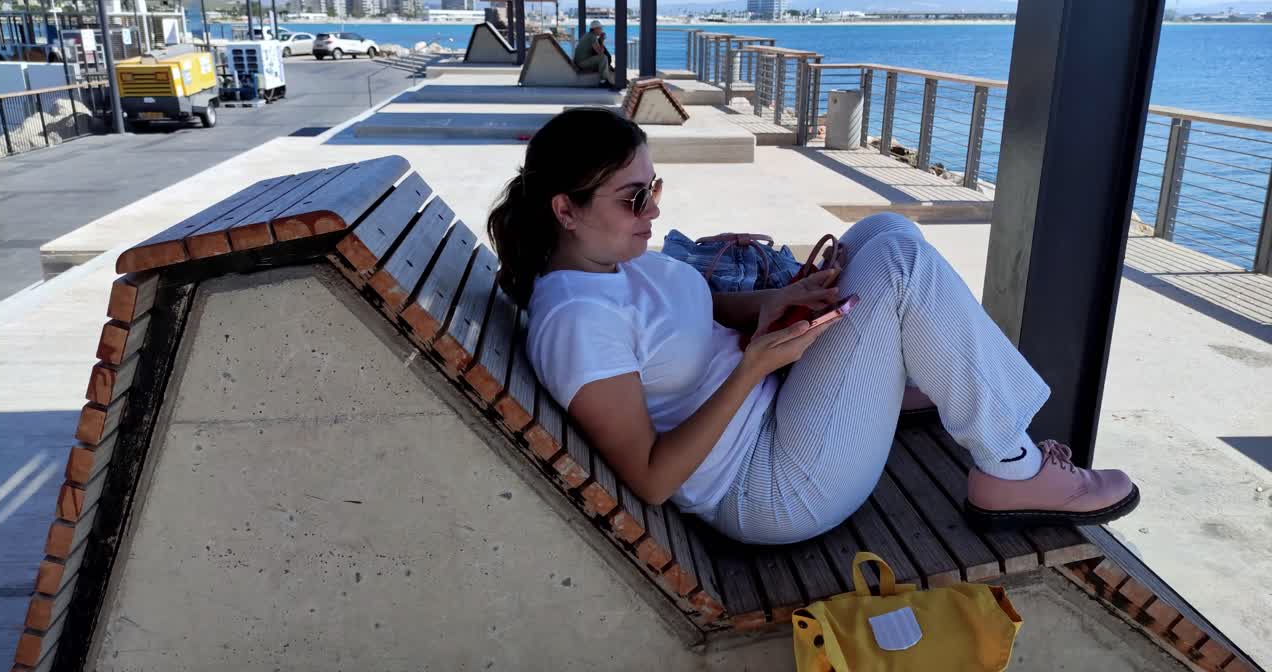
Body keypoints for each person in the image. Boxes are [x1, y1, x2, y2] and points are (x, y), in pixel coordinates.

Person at [486, 108, 1139, 546]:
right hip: (770, 487)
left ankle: (945, 388)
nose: (654, 210)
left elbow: (692, 313)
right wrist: (753, 367)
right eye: (634, 198)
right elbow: (654, 480)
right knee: (901, 262)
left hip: (782, 413)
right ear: (565, 210)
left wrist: (780, 299)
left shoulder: (610, 260)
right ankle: (1011, 466)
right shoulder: (576, 321)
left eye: (654, 187)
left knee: (879, 234)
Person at [573, 20, 616, 87]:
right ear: (595, 29)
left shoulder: (588, 35)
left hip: (580, 62)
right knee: (603, 58)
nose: (602, 30)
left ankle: (607, 74)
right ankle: (603, 81)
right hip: (582, 63)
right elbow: (600, 53)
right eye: (600, 28)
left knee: (603, 60)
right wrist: (602, 41)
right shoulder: (592, 37)